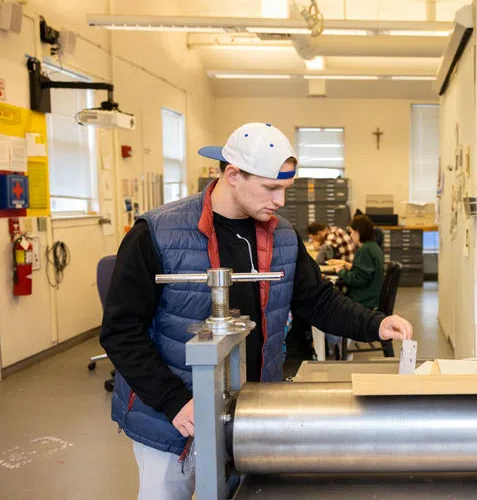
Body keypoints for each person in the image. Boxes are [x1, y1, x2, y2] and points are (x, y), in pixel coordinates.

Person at [100, 122, 413, 500]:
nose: (280, 201)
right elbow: (121, 331)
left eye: (285, 188)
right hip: (171, 419)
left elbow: (318, 300)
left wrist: (376, 324)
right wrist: (174, 402)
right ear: (233, 174)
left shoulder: (280, 235)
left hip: (250, 412)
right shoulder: (157, 232)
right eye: (271, 188)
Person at [329, 215, 394, 357]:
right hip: (371, 296)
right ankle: (338, 344)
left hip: (364, 299)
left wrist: (340, 271)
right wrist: (347, 265)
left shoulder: (364, 250)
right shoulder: (374, 247)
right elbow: (366, 271)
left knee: (330, 305)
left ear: (358, 232)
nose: (350, 236)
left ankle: (337, 344)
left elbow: (357, 279)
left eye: (351, 232)